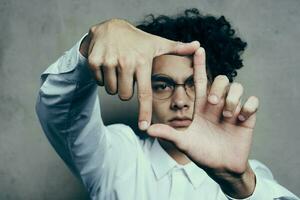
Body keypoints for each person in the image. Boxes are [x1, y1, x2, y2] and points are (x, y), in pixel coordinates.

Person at [36, 8, 299, 200]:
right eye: (163, 85)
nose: (180, 102)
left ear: (213, 89)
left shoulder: (247, 175)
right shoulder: (116, 154)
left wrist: (240, 183)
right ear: (143, 87)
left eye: (193, 85)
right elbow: (61, 110)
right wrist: (92, 43)